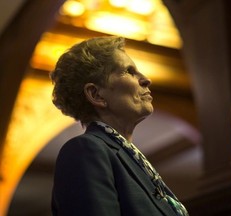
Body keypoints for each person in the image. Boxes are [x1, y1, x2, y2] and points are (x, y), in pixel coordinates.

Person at [50, 36, 189, 216]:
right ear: (96, 94)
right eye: (129, 71)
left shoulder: (130, 158)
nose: (146, 79)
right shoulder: (84, 150)